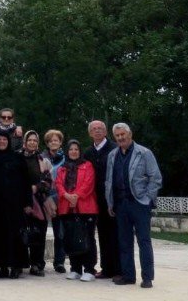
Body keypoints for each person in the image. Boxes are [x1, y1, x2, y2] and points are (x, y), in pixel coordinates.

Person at [106, 123, 162, 289]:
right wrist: (110, 202)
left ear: (130, 134)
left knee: (143, 240)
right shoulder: (112, 155)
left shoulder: (144, 153)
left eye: (123, 134)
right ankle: (128, 276)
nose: (121, 138)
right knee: (124, 242)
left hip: (139, 204)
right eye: (117, 136)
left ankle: (147, 277)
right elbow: (109, 180)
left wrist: (147, 199)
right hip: (120, 204)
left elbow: (155, 178)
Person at [0, 130, 31, 278]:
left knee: (15, 236)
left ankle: (16, 266)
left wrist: (27, 202)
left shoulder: (18, 158)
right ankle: (3, 266)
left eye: (5, 139)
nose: (2, 142)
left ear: (9, 141)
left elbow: (26, 181)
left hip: (15, 205)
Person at [56, 139, 99, 281]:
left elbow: (89, 183)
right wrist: (67, 196)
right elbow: (58, 184)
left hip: (86, 207)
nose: (73, 152)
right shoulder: (63, 168)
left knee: (87, 238)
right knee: (71, 238)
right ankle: (75, 268)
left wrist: (76, 196)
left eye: (76, 149)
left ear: (80, 151)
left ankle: (89, 269)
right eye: (71, 149)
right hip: (67, 207)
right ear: (67, 152)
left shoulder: (88, 165)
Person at [84, 119, 119, 279]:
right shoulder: (88, 153)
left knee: (116, 235)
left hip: (113, 199)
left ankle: (119, 269)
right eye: (94, 129)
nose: (97, 131)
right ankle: (106, 268)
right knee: (103, 235)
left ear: (105, 132)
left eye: (100, 128)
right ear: (90, 133)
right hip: (95, 200)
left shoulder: (115, 149)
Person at [22, 130, 52, 276]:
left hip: (39, 202)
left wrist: (35, 188)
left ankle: (37, 264)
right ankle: (19, 263)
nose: (32, 142)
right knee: (20, 233)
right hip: (20, 202)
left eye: (35, 140)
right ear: (25, 142)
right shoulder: (17, 157)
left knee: (39, 233)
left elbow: (48, 182)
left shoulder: (43, 160)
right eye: (30, 140)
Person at [42, 129, 67, 273]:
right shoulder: (42, 157)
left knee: (60, 233)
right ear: (47, 143)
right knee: (41, 230)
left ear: (60, 142)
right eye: (51, 140)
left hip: (61, 197)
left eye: (56, 140)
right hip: (45, 197)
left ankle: (59, 262)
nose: (53, 143)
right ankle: (39, 262)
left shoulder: (66, 158)